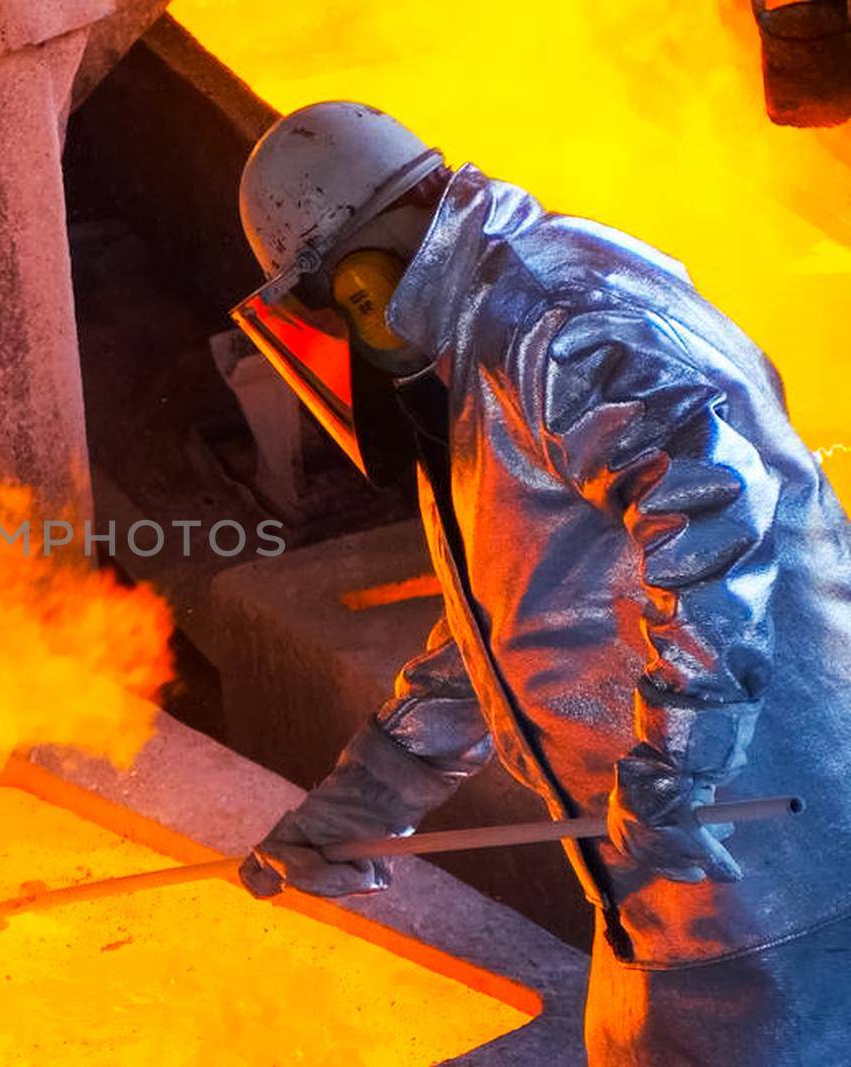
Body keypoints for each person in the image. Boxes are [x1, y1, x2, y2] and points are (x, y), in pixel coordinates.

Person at [230, 101, 851, 1065]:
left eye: (335, 303)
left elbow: (725, 514)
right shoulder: (489, 332)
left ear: (361, 281)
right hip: (684, 894)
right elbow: (520, 610)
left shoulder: (554, 324)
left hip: (785, 884)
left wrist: (680, 765)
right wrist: (379, 787)